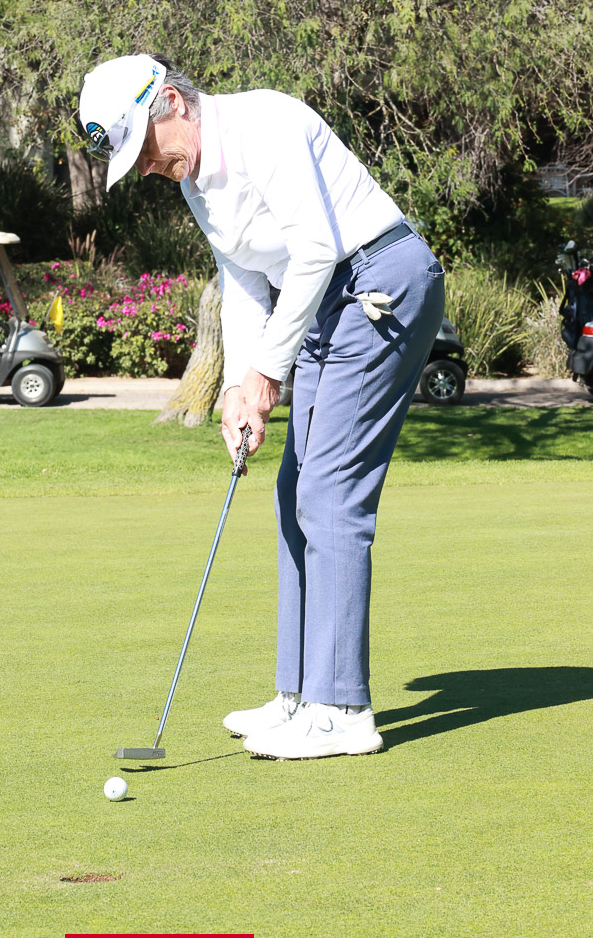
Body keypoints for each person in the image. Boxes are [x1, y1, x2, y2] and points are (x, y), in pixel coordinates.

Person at [79, 54, 445, 759]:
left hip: (380, 284)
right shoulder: (196, 184)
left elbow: (314, 250)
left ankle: (342, 711)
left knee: (330, 493)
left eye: (145, 148)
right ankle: (299, 695)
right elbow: (243, 280)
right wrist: (233, 390)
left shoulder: (264, 122)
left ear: (172, 102)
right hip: (326, 305)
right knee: (291, 491)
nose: (147, 168)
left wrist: (267, 374)